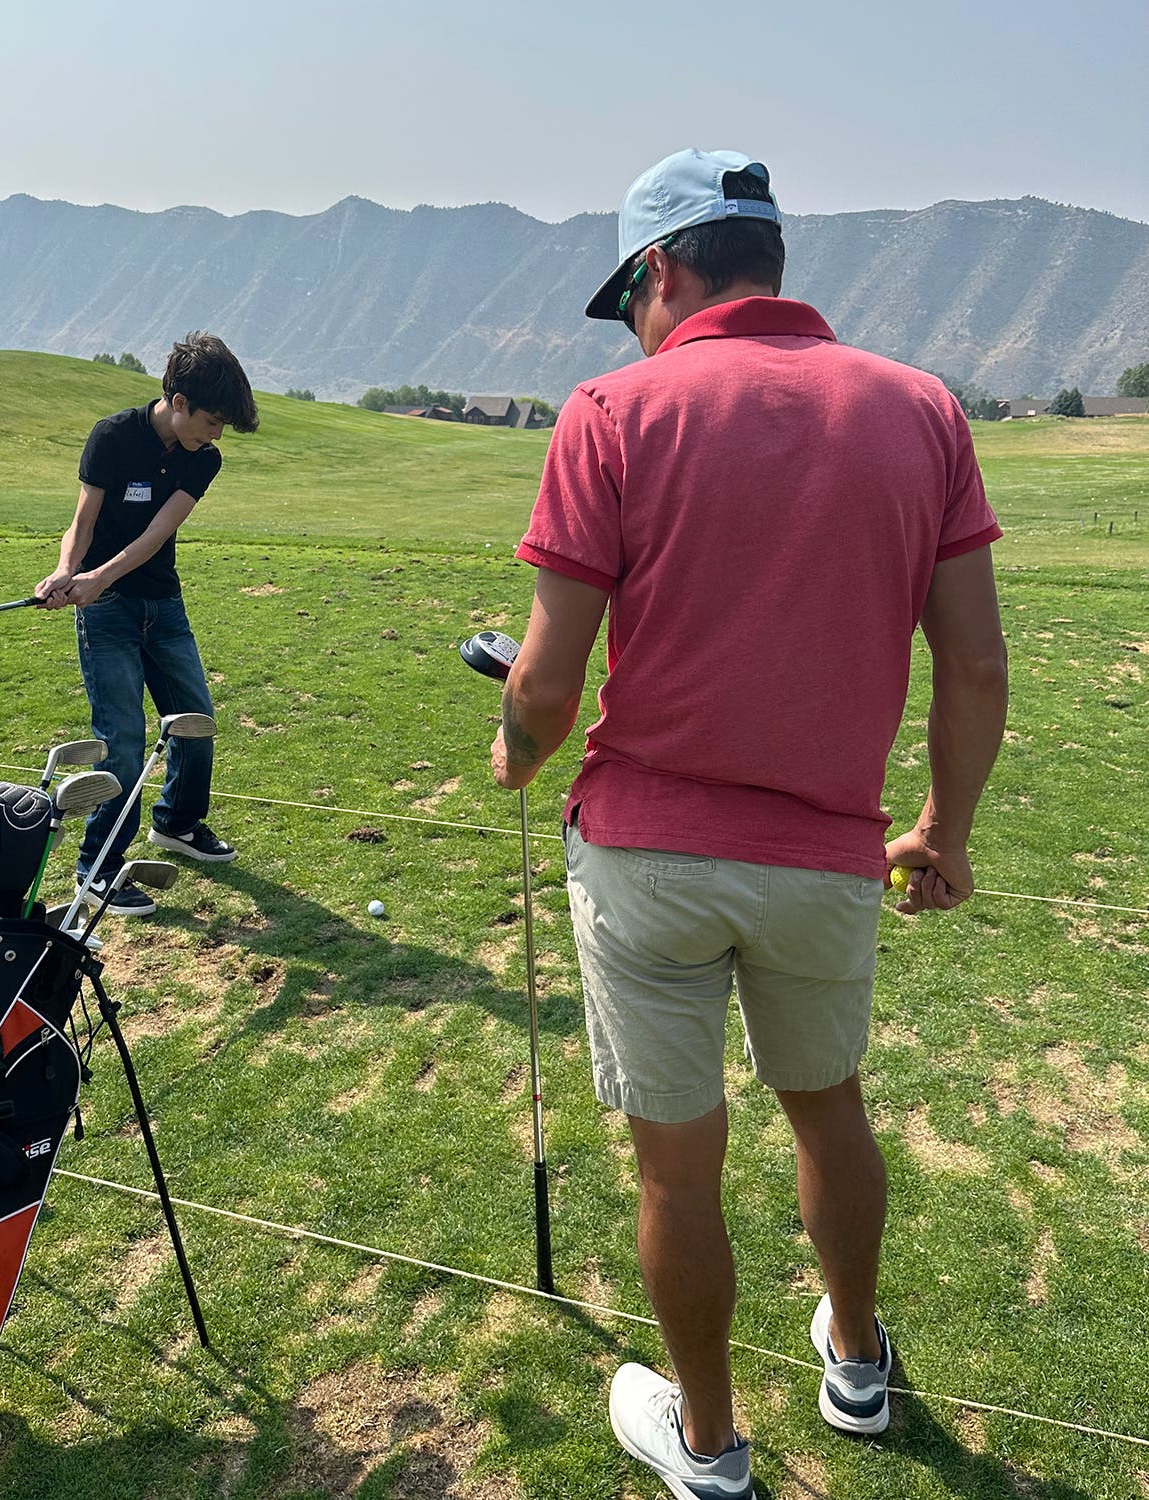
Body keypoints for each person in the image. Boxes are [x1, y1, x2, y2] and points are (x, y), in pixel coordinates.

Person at [490, 149, 1008, 1498]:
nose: (632, 329)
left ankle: (712, 1445)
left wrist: (512, 749)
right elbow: (976, 664)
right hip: (827, 859)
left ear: (661, 272)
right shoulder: (923, 410)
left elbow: (545, 684)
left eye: (632, 298)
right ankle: (852, 1357)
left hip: (647, 855)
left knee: (678, 1167)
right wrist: (944, 831)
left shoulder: (611, 410)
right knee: (828, 1112)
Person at [36, 332, 259, 916]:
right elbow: (82, 523)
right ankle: (98, 870)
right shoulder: (112, 436)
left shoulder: (203, 460)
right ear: (180, 401)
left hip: (160, 604)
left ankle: (178, 825)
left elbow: (155, 535)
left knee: (195, 722)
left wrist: (98, 576)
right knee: (124, 743)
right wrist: (66, 572)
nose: (216, 434)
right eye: (212, 420)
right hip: (104, 613)